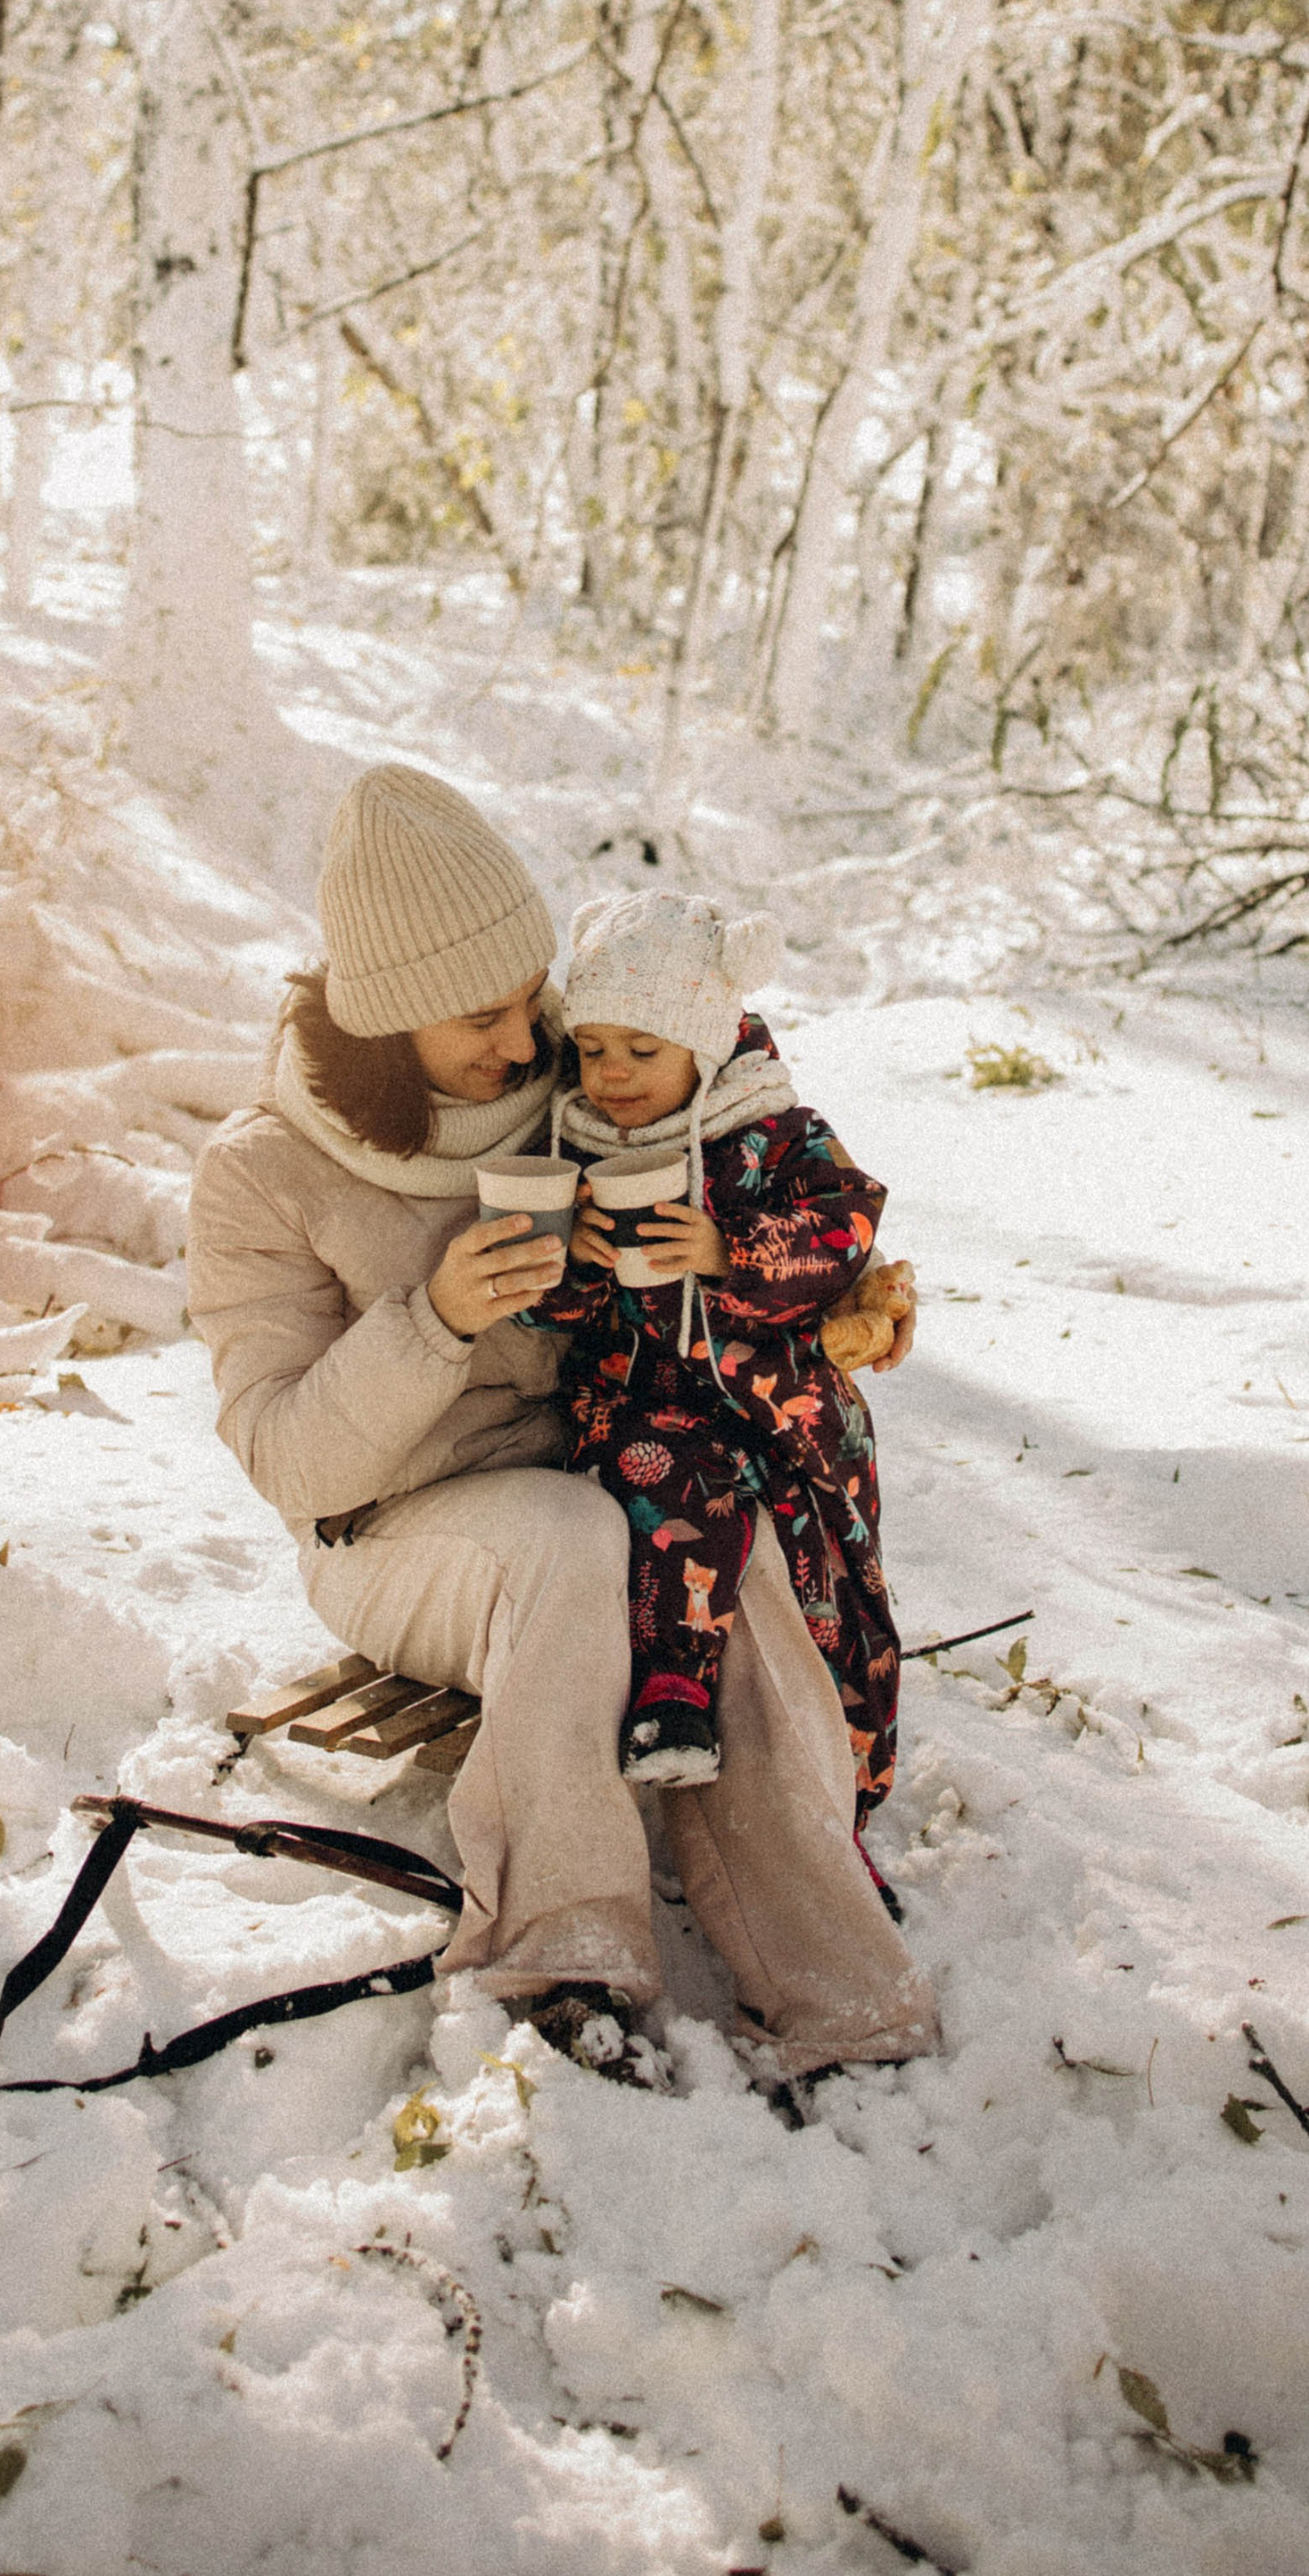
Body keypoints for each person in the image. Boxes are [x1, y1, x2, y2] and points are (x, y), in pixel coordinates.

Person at [184, 765, 936, 2082]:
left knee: (730, 1548)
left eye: (535, 1000)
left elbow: (730, 1092)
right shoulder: (263, 1170)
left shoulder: (567, 1096)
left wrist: (825, 1304)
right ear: (395, 1015)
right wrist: (437, 1318)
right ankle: (558, 1956)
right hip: (396, 1526)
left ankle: (840, 1979)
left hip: (605, 1464)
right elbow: (283, 1456)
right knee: (584, 1546)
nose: (526, 1042)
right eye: (485, 1014)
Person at [531, 891, 901, 1817]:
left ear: (702, 1040)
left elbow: (845, 1225)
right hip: (640, 1406)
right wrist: (569, 1263)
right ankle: (672, 1698)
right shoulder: (568, 1141)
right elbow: (550, 1314)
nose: (611, 1075)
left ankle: (837, 1801)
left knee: (827, 1598)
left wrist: (732, 1251)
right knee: (671, 1510)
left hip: (780, 1408)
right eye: (593, 1048)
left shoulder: (775, 1132)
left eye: (643, 1051)